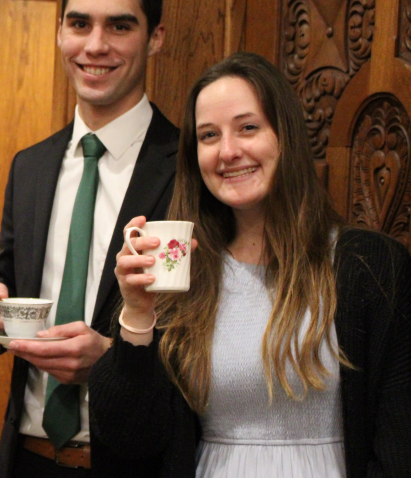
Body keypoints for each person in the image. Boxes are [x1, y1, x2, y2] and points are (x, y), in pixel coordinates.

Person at [90, 52, 411, 477]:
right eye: (208, 135)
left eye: (248, 128)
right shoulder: (182, 272)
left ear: (285, 136)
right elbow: (129, 440)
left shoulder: (371, 266)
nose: (228, 151)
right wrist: (136, 314)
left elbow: (399, 445)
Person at [0, 0, 178, 477]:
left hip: (137, 461)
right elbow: (9, 284)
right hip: (28, 459)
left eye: (119, 27)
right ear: (60, 32)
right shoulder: (30, 168)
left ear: (155, 38)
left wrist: (115, 360)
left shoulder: (190, 170)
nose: (95, 46)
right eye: (79, 24)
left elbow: (212, 336)